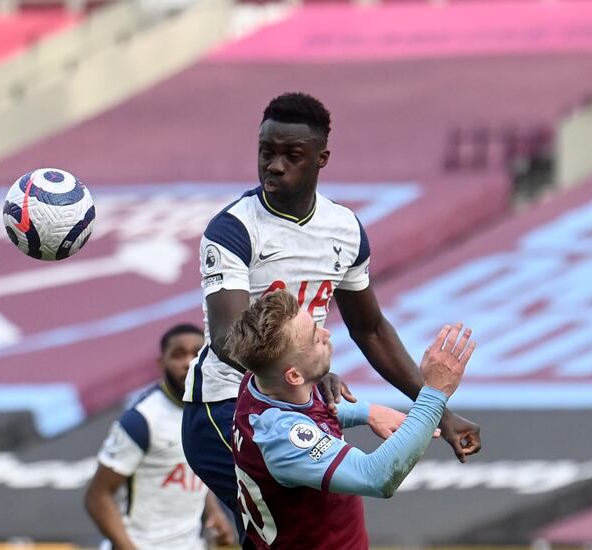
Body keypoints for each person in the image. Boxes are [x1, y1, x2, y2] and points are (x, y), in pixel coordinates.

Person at [181, 91, 482, 527]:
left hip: (294, 395)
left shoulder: (344, 230)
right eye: (266, 152)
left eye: (292, 155)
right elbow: (230, 339)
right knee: (308, 529)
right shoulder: (234, 230)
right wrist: (303, 365)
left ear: (322, 158)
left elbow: (371, 329)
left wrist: (444, 413)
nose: (274, 165)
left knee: (314, 529)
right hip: (227, 406)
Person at [228, 290, 475, 548]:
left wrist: (365, 412)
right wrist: (435, 393)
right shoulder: (282, 437)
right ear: (294, 376)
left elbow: (309, 408)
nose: (327, 335)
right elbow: (377, 477)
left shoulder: (261, 381)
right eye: (315, 339)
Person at [85, 323, 235, 550]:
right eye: (178, 355)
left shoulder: (208, 410)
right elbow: (98, 497)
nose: (188, 362)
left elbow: (192, 468)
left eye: (196, 353)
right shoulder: (141, 420)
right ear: (161, 363)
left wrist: (214, 512)